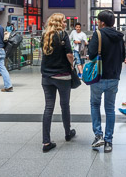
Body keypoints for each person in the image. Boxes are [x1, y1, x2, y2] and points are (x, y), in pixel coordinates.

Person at [88, 10, 125, 153]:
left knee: (95, 104)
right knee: (110, 109)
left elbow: (91, 55)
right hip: (114, 77)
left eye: (98, 21)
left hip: (99, 76)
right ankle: (108, 141)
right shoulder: (119, 37)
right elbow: (123, 56)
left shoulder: (98, 34)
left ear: (102, 22)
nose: (97, 23)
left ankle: (98, 136)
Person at [40, 13, 76, 153]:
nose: (66, 23)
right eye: (64, 21)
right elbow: (69, 54)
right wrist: (72, 65)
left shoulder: (45, 35)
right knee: (65, 105)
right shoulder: (63, 34)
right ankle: (67, 133)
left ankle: (46, 141)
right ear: (59, 22)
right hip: (62, 75)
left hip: (47, 77)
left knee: (48, 107)